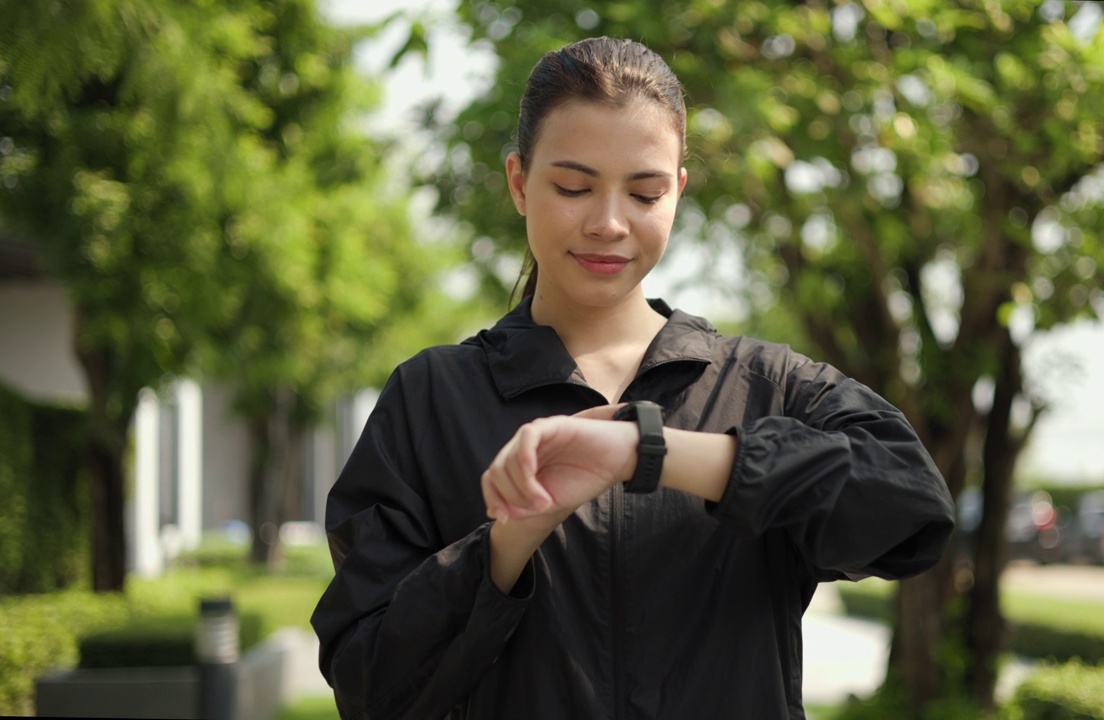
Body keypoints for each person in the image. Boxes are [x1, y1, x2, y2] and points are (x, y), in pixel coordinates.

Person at [311, 36, 954, 720]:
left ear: (677, 190)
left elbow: (912, 507)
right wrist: (505, 546)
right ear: (519, 183)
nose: (609, 224)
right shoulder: (430, 399)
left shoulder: (768, 385)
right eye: (573, 187)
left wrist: (652, 452)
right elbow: (368, 683)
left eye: (644, 193)